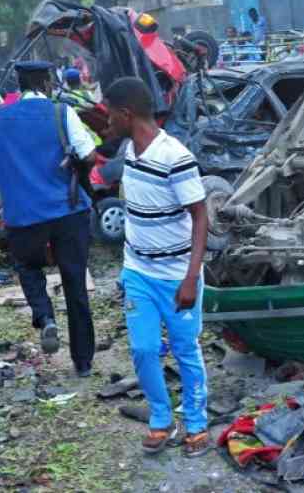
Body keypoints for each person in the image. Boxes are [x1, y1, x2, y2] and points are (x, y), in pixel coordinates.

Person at [104, 77, 210, 458]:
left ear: (126, 114)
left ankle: (196, 424)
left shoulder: (175, 157)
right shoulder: (130, 148)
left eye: (110, 116)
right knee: (143, 348)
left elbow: (201, 217)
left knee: (185, 350)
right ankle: (162, 419)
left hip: (177, 276)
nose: (106, 124)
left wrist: (191, 278)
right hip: (138, 273)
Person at [0, 61, 97, 377]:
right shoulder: (61, 112)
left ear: (19, 85)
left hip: (23, 214)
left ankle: (45, 315)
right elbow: (88, 154)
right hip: (68, 209)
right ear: (47, 82)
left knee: (27, 266)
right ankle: (83, 362)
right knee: (75, 281)